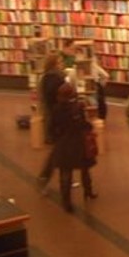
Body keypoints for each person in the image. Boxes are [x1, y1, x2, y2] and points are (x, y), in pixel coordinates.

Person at [49, 82, 96, 212]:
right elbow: (83, 124)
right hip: (78, 143)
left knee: (65, 173)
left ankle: (66, 201)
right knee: (85, 169)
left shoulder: (56, 109)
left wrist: (57, 138)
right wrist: (90, 127)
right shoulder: (77, 107)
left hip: (63, 144)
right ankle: (88, 191)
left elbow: (52, 127)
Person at [37, 51, 65, 188]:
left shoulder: (45, 78)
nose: (62, 64)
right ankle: (45, 177)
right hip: (58, 119)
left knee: (60, 149)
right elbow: (57, 99)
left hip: (52, 118)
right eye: (60, 62)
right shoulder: (56, 79)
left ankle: (61, 178)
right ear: (54, 64)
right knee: (59, 149)